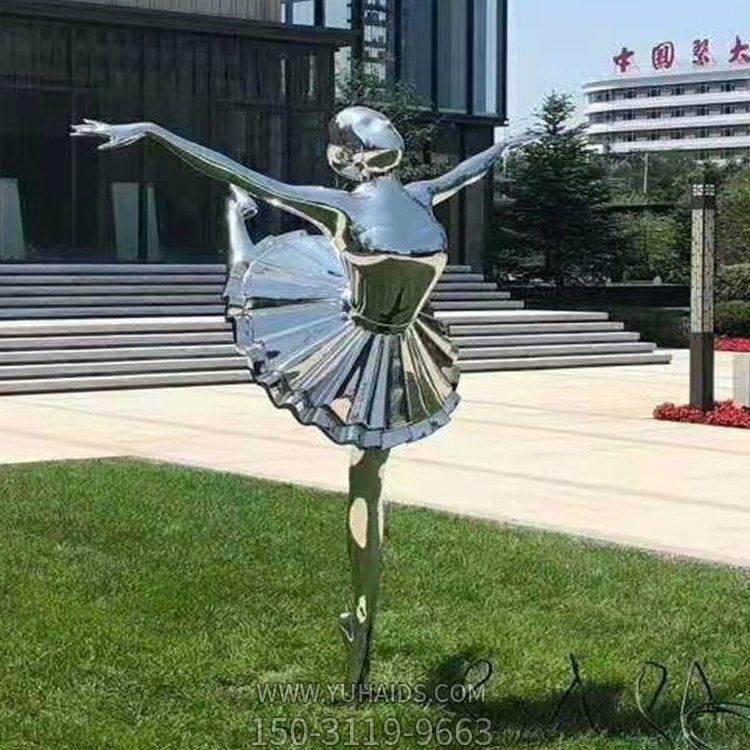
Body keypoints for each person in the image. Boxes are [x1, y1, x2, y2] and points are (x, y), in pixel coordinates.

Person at [72, 107, 522, 449]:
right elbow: (233, 171)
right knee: (363, 433)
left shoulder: (421, 194)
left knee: (381, 438)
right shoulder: (339, 206)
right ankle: (236, 216)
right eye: (373, 135)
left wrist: (507, 144)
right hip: (350, 329)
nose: (385, 139)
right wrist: (153, 131)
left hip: (406, 334)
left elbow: (468, 170)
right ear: (352, 158)